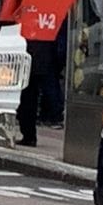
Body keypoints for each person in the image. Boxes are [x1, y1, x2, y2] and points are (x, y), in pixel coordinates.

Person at [18, 19, 67, 147]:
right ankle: (53, 116)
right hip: (47, 55)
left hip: (31, 53)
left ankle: (29, 134)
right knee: (48, 88)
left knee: (29, 96)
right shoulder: (54, 10)